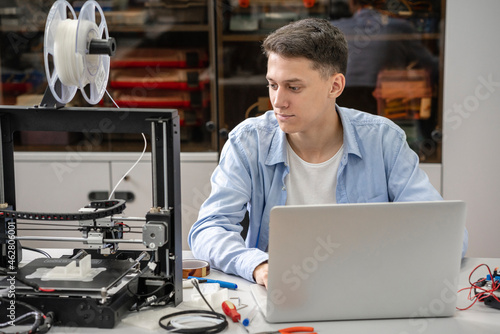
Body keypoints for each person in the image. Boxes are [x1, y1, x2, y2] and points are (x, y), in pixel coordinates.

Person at [188, 18, 467, 288]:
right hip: (282, 292)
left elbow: (446, 232)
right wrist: (258, 265)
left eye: (293, 87)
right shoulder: (248, 141)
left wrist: (392, 265)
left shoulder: (383, 140)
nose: (278, 101)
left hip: (367, 289)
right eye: (273, 84)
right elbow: (209, 228)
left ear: (335, 86)